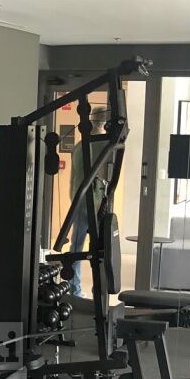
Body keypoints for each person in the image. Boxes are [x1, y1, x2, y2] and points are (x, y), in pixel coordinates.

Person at [67, 106, 112, 297]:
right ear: (105, 122)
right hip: (95, 201)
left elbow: (73, 179)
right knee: (99, 249)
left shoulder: (79, 145)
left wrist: (73, 199)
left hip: (79, 200)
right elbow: (107, 174)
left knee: (76, 247)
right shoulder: (105, 145)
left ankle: (74, 289)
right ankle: (97, 291)